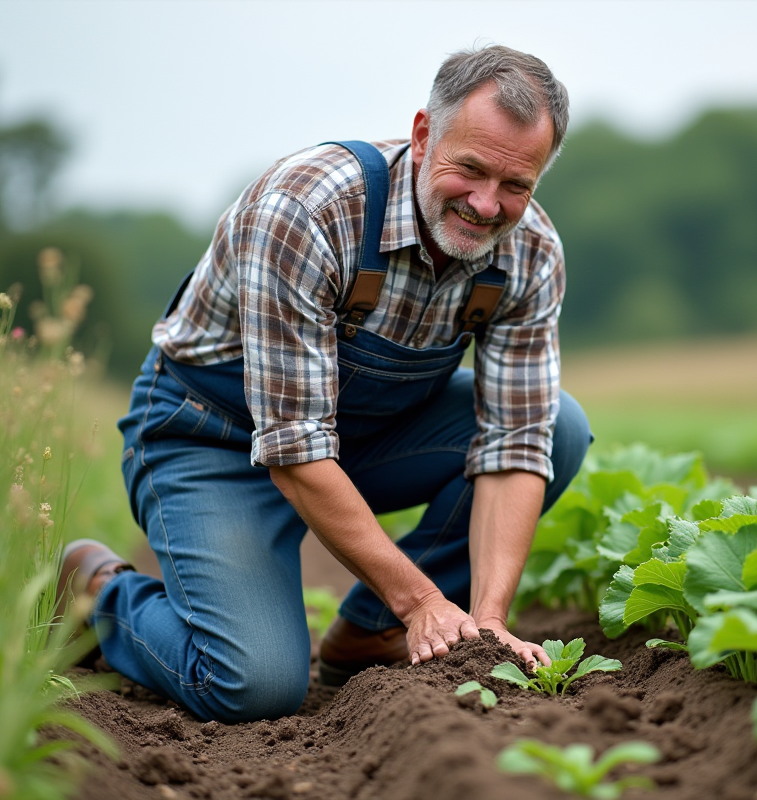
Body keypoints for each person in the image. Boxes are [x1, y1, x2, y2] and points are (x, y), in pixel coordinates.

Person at [58, 45, 591, 723]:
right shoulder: (309, 210)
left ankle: (368, 633)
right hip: (212, 439)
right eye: (472, 170)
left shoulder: (532, 253)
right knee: (254, 685)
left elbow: (515, 442)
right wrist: (422, 600)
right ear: (424, 134)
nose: (488, 205)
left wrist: (485, 624)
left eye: (517, 185)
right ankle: (97, 593)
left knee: (558, 428)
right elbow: (297, 449)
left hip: (362, 438)